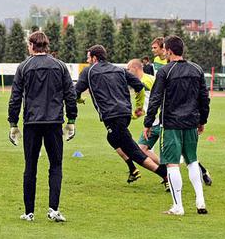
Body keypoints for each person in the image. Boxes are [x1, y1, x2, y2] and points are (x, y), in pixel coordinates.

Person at [74, 45, 168, 187]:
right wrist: (138, 106)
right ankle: (132, 169)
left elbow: (75, 92)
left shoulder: (88, 71)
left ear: (94, 58)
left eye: (88, 57)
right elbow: (139, 85)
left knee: (134, 150)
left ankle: (165, 174)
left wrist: (78, 99)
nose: (87, 60)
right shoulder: (119, 69)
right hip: (124, 114)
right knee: (112, 138)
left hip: (113, 116)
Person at [8, 31, 77, 222]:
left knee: (30, 166)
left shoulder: (24, 67)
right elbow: (69, 94)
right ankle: (53, 209)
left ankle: (29, 212)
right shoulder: (60, 66)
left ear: (32, 45)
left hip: (31, 122)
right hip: (54, 122)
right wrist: (71, 119)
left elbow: (15, 97)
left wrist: (13, 123)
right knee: (56, 165)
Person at [144, 36, 210, 216]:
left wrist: (148, 122)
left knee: (172, 165)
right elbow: (204, 98)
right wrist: (202, 120)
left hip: (171, 124)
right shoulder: (197, 69)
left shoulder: (165, 71)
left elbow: (155, 99)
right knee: (192, 161)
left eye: (164, 50)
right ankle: (200, 200)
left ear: (169, 51)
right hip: (191, 123)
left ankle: (178, 206)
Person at [127, 59, 212, 187]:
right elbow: (145, 105)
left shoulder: (149, 80)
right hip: (153, 122)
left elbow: (159, 97)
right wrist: (135, 116)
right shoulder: (139, 83)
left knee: (179, 155)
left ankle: (202, 172)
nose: (127, 72)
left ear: (135, 68)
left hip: (164, 122)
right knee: (142, 149)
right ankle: (166, 173)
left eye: (128, 69)